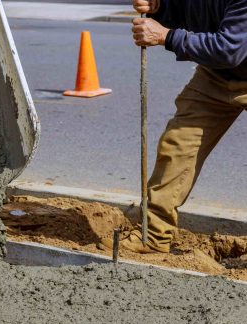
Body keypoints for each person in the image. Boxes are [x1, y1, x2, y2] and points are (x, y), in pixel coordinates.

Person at [100, 0, 247, 253]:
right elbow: (189, 15)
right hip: (217, 76)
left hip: (228, 59)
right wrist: (161, 8)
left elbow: (229, 49)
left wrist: (165, 35)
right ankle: (154, 235)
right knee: (177, 144)